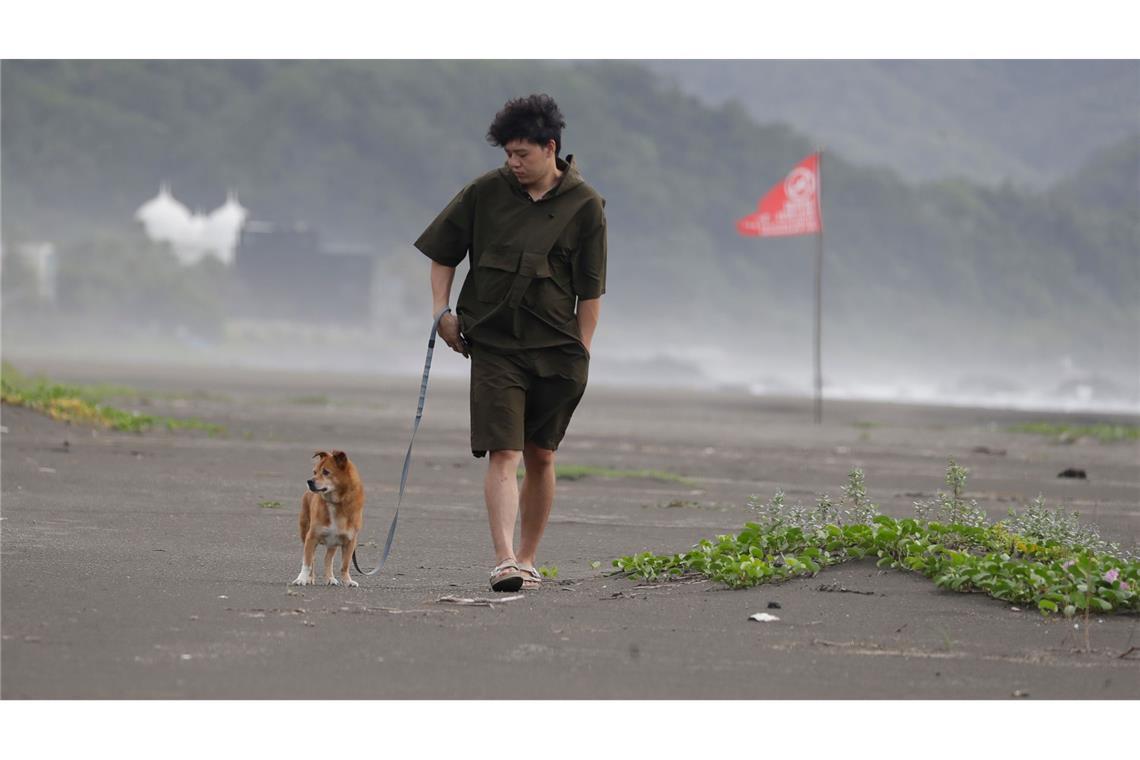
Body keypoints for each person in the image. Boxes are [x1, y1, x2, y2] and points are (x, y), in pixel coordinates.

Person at [414, 93, 607, 592]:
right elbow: (442, 253)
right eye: (507, 155)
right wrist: (442, 311)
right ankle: (503, 560)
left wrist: (582, 353)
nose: (513, 164)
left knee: (541, 454)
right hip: (496, 345)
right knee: (505, 451)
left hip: (557, 350)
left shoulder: (585, 205)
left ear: (550, 148)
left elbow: (591, 291)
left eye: (522, 155)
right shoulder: (485, 192)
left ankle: (527, 558)